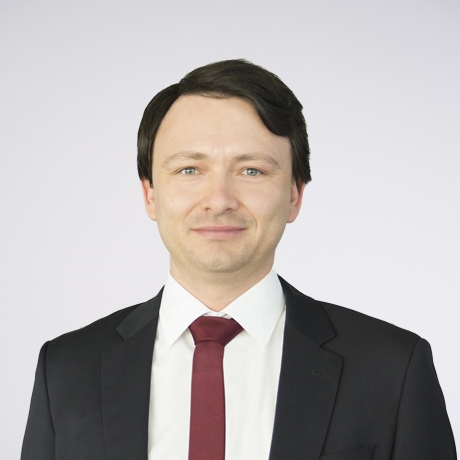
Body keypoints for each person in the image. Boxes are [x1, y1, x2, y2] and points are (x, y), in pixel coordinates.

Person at [21, 59, 456, 460]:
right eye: (189, 169)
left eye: (252, 170)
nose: (219, 200)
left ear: (294, 195)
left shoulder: (393, 371)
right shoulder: (66, 370)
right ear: (150, 193)